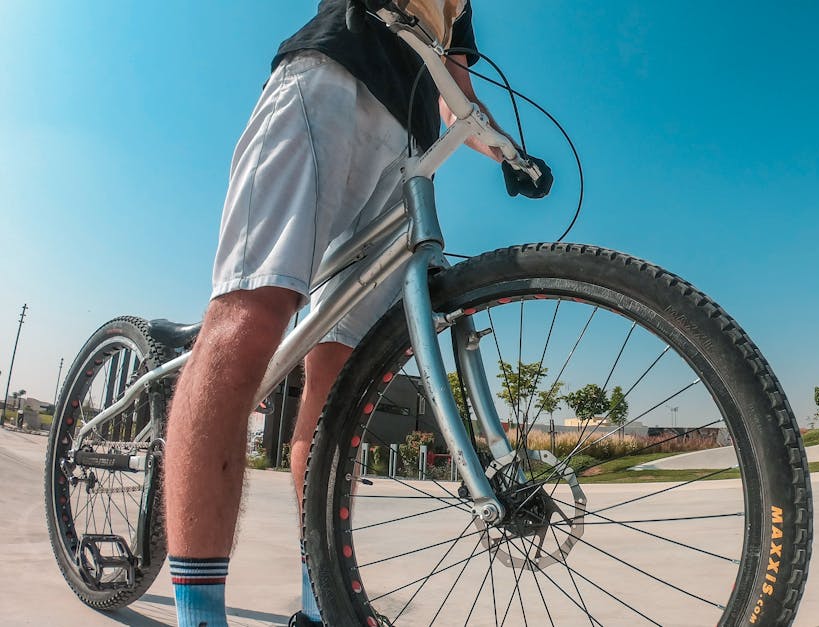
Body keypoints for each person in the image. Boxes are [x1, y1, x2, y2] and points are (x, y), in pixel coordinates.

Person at [161, 2, 551, 626]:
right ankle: (199, 614)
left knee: (339, 380)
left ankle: (322, 601)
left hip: (406, 149)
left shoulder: (461, 6)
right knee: (252, 315)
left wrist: (506, 150)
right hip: (333, 75)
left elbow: (458, 91)